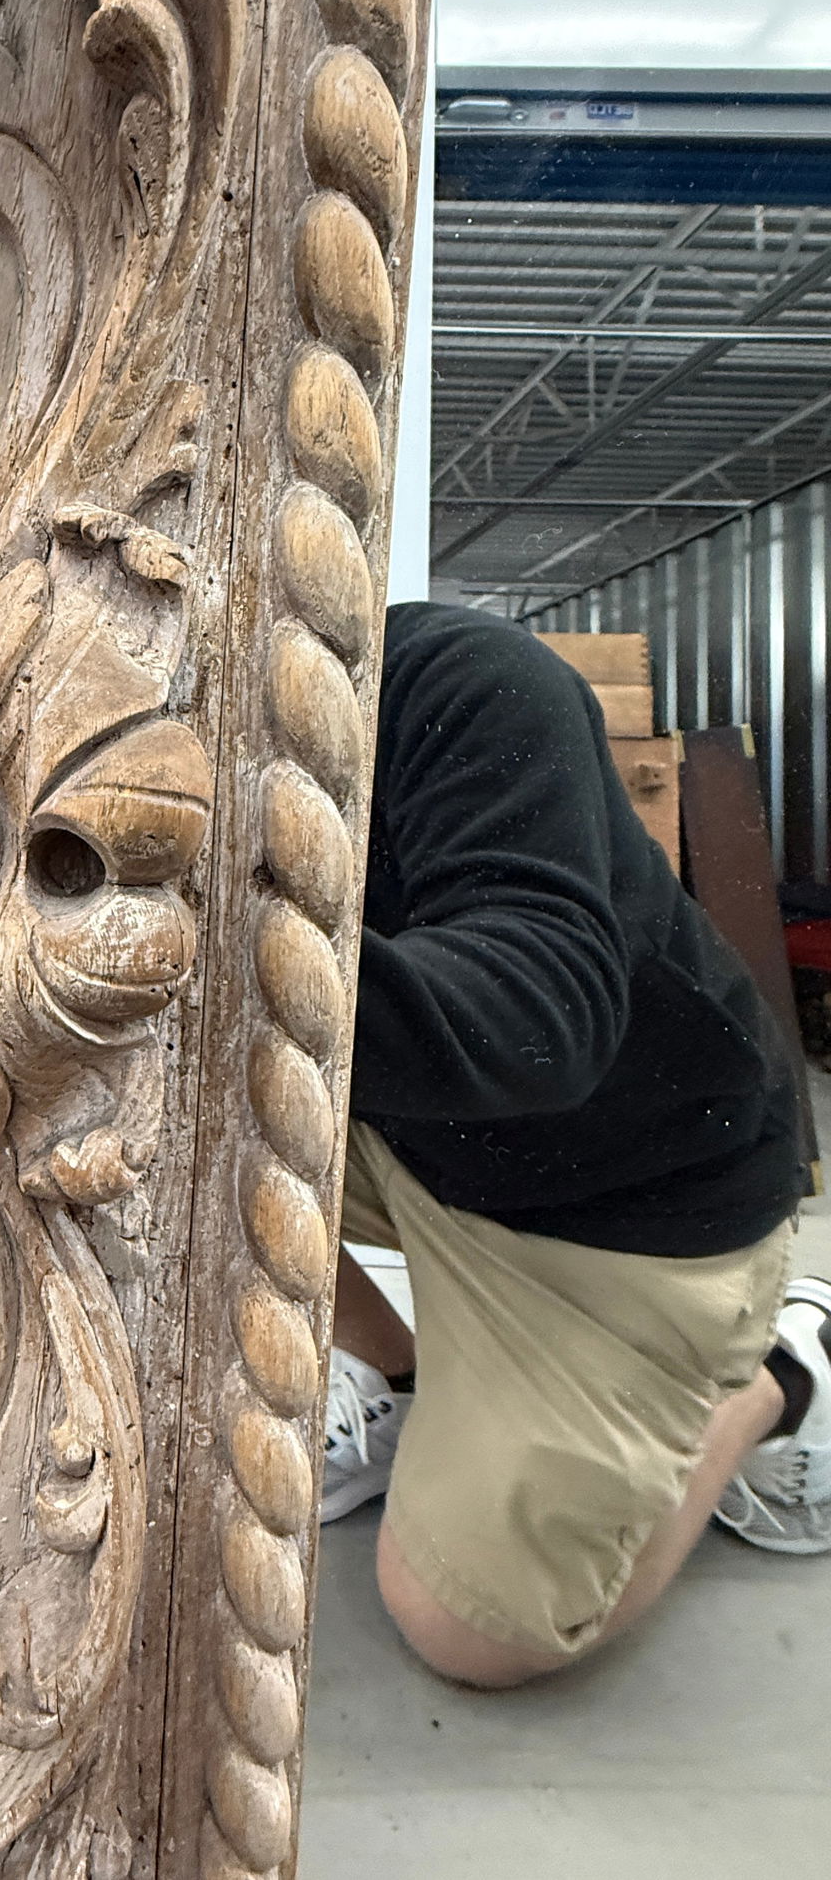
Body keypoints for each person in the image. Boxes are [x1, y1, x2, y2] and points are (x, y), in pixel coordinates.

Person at [325, 600, 830, 1689]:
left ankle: (779, 1373)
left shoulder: (457, 681)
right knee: (136, 1159)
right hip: (424, 1146)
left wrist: (196, 941)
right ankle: (402, 1379)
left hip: (628, 1206)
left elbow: (537, 1013)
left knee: (473, 1630)